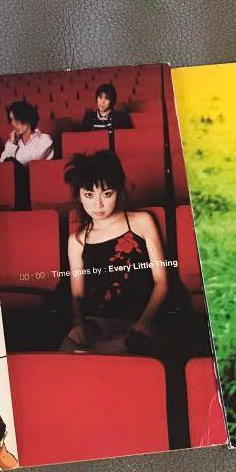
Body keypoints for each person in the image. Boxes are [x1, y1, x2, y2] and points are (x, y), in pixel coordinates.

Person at [61, 151, 169, 354]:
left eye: (107, 194)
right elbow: (77, 295)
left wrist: (144, 322)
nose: (98, 205)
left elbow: (162, 282)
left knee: (117, 351)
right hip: (98, 323)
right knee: (69, 351)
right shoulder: (76, 240)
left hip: (141, 319)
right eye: (89, 195)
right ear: (79, 196)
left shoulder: (141, 221)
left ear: (118, 191)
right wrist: (78, 325)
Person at [0, 99, 53, 166]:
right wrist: (12, 144)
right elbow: (1, 165)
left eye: (16, 119)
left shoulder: (44, 139)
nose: (14, 124)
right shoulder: (12, 143)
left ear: (27, 117)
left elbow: (31, 163)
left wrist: (11, 159)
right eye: (12, 119)